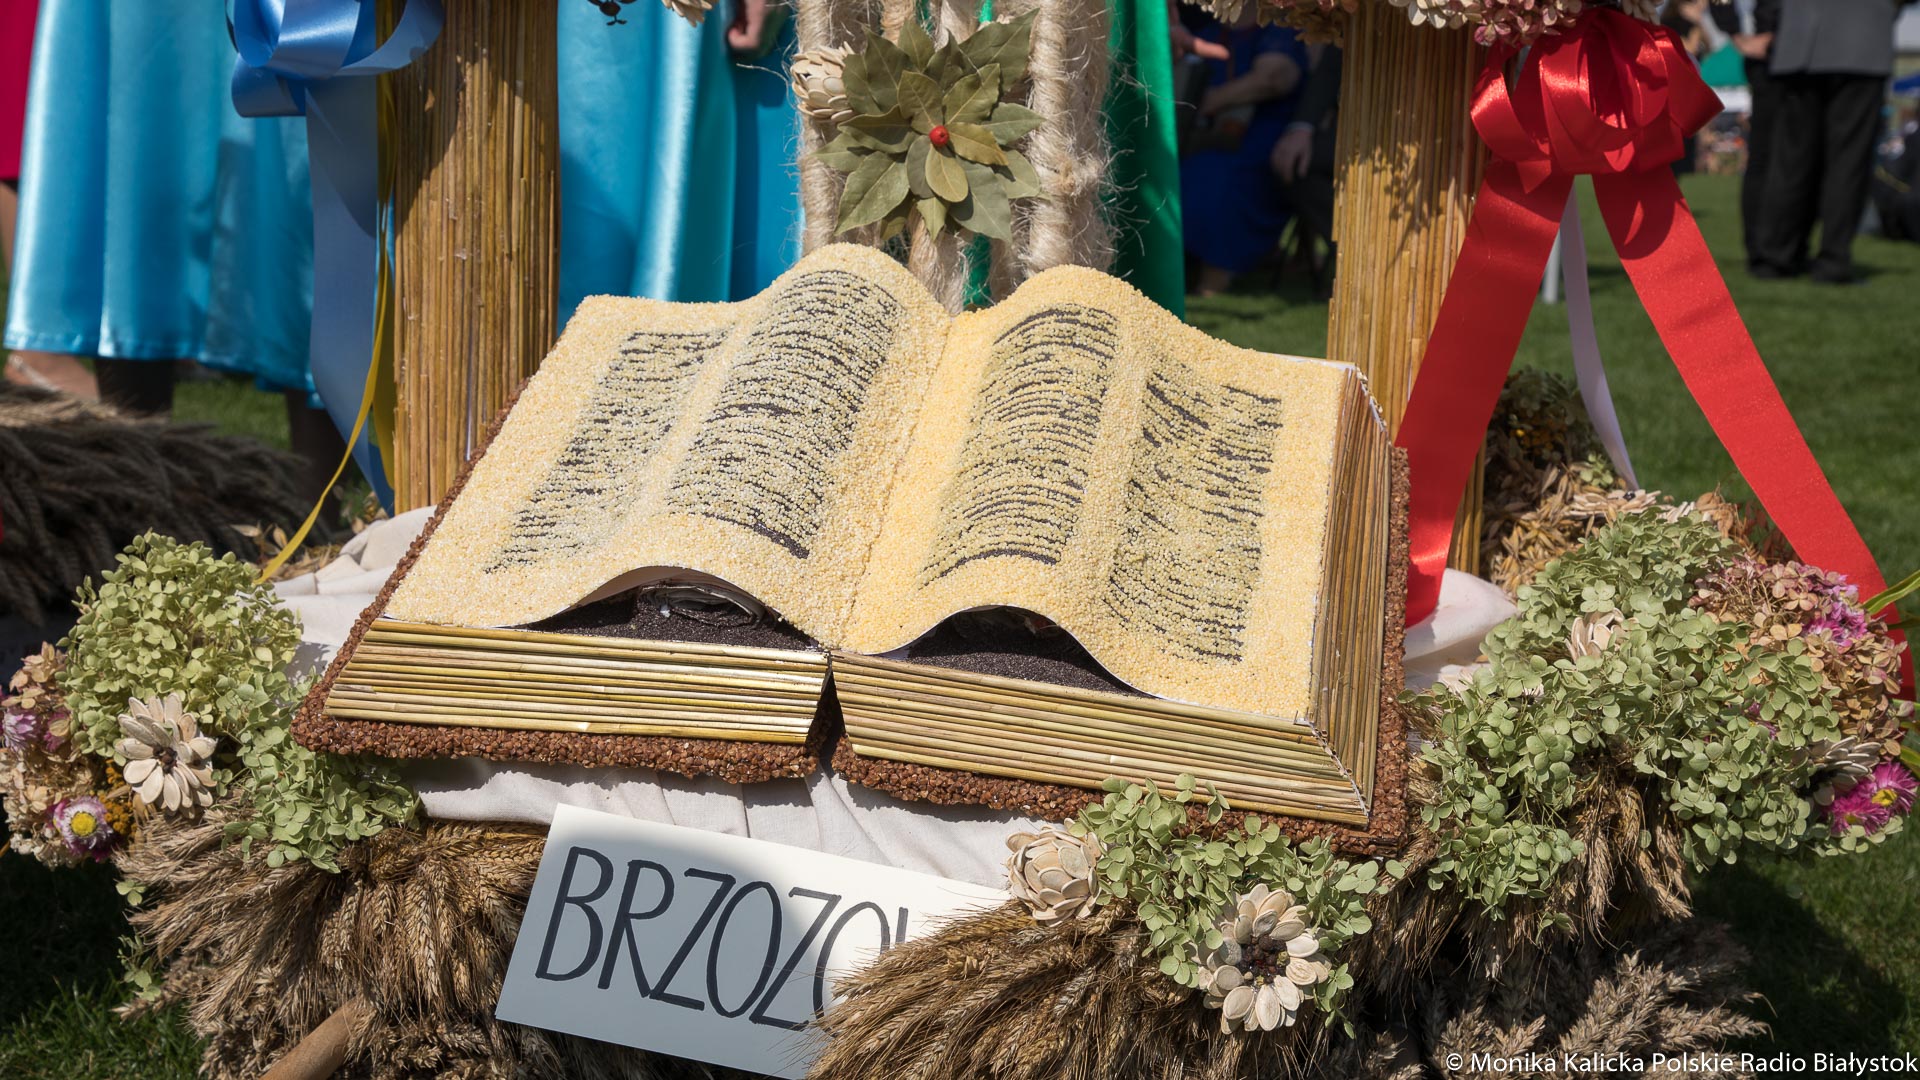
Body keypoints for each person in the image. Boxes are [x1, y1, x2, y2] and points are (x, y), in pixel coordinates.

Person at [1752, 0, 1914, 283]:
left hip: (1800, 42)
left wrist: (1770, 22)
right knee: (1847, 162)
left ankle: (1777, 256)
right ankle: (1832, 260)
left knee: (1792, 159)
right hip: (1862, 42)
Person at [1177, 11, 1307, 296]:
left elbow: (1274, 78)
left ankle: (1213, 280)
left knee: (1219, 179)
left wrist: (1212, 100)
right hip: (1205, 138)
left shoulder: (1279, 29)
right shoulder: (1206, 32)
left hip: (1262, 137)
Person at [1711, 0, 1782, 271]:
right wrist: (1735, 33)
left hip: (1812, 52)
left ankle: (1790, 247)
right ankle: (1763, 250)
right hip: (1770, 58)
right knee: (1765, 157)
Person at [1270, 42, 1339, 300]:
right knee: (1295, 162)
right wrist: (1302, 127)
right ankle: (1356, 253)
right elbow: (1331, 65)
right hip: (1357, 131)